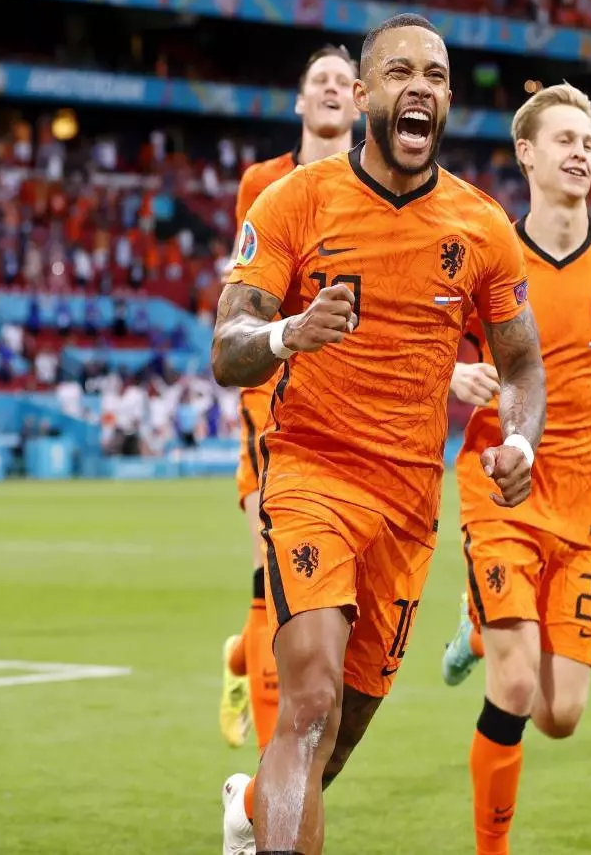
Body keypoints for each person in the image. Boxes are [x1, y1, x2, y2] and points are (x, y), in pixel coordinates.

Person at [211, 13, 547, 855]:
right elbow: (227, 349)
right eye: (400, 73)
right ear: (365, 95)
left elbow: (523, 366)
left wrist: (524, 442)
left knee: (339, 734)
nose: (421, 89)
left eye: (435, 76)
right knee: (311, 703)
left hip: (407, 509)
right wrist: (291, 334)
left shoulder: (482, 228)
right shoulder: (294, 200)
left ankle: (252, 806)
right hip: (311, 476)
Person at [438, 83, 591, 855]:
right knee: (512, 685)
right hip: (499, 481)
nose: (581, 153)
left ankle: (477, 626)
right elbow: (426, 343)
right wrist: (455, 376)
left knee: (560, 716)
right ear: (527, 154)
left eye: (589, 142)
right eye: (565, 140)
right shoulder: (487, 253)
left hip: (584, 498)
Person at [218, 43, 361, 754]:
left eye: (344, 80)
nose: (333, 88)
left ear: (360, 102)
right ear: (302, 103)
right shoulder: (265, 184)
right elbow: (258, 290)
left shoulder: (378, 192)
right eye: (320, 81)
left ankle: (241, 661)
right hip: (272, 395)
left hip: (346, 410)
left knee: (323, 602)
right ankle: (267, 782)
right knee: (268, 578)